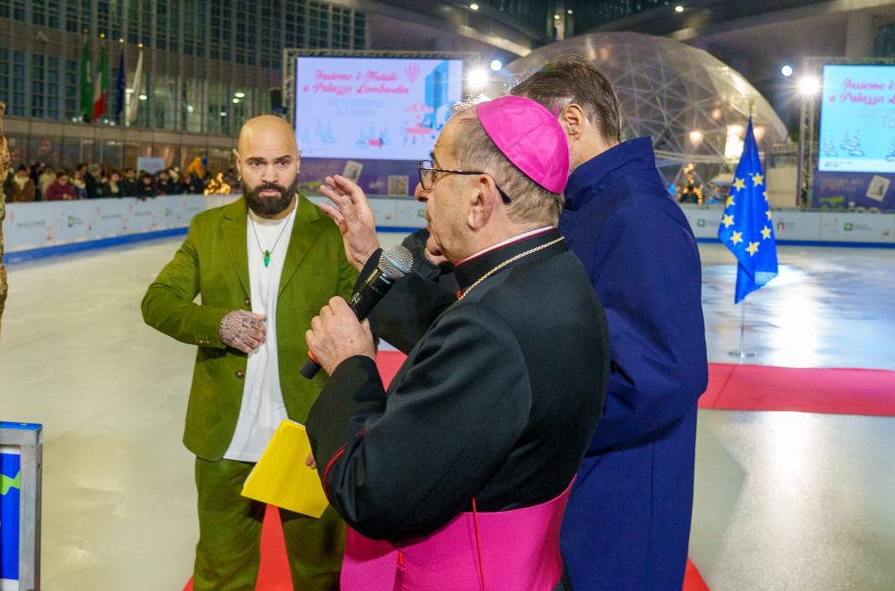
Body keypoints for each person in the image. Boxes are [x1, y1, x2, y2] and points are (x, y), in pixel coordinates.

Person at [305, 96, 609, 590]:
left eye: (436, 171)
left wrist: (350, 367)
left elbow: (372, 493)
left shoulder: (491, 324)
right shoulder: (552, 272)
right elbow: (460, 353)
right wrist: (370, 256)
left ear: (479, 198)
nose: (424, 192)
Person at [510, 55, 708, 590]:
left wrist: (543, 432)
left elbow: (664, 374)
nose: (525, 152)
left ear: (573, 121)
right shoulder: (591, 206)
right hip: (585, 490)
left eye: (536, 130)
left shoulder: (637, 214)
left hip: (617, 506)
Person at [141, 115, 357, 590]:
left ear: (298, 162)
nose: (270, 175)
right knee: (220, 577)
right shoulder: (207, 229)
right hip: (225, 442)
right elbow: (157, 302)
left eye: (281, 162)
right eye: (257, 162)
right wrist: (216, 323)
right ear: (238, 165)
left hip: (307, 439)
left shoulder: (328, 232)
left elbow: (362, 327)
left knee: (321, 576)